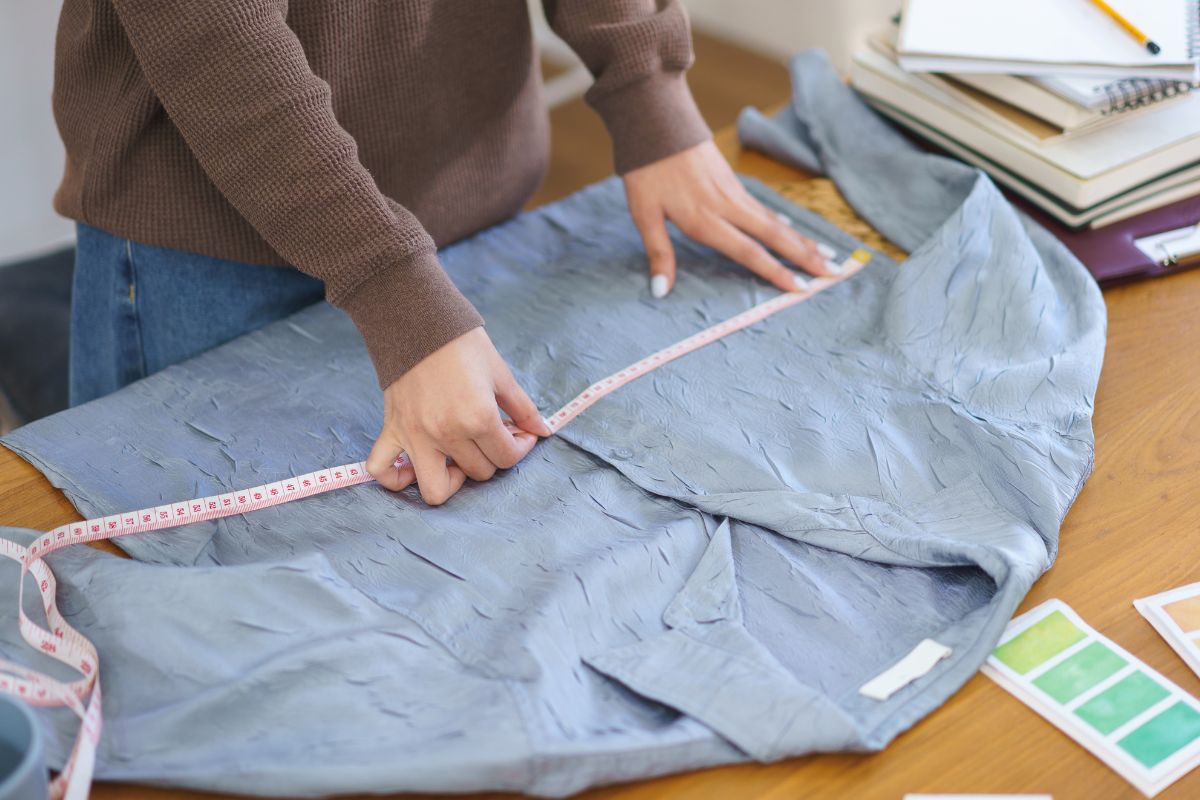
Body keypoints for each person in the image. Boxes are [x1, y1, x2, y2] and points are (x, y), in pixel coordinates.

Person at [53, 1, 830, 506]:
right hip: (212, 247)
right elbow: (210, 31)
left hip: (475, 210)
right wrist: (396, 290)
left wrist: (647, 87)